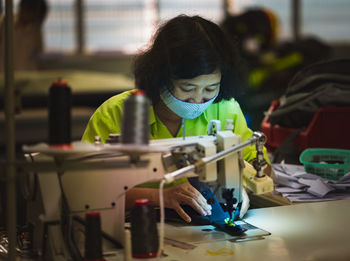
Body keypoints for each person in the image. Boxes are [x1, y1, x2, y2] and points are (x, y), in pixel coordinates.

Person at [82, 15, 272, 223]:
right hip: (133, 228)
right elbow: (87, 190)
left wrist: (242, 186)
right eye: (187, 88)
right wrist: (158, 196)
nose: (198, 99)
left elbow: (258, 164)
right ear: (161, 77)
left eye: (210, 88)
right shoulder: (115, 114)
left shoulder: (226, 109)